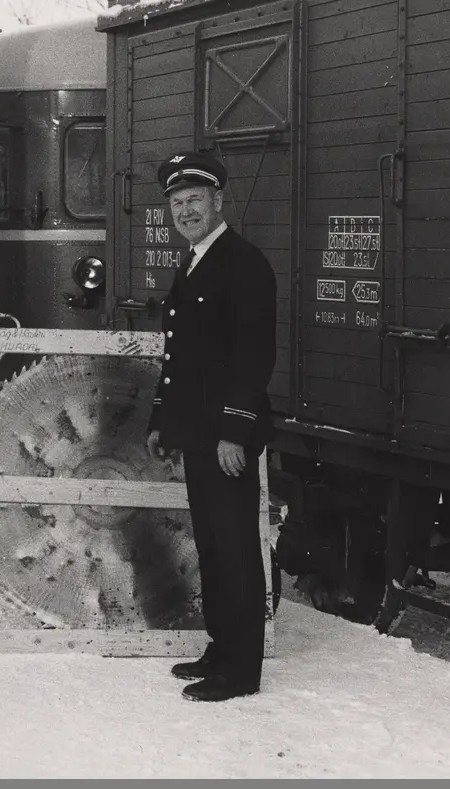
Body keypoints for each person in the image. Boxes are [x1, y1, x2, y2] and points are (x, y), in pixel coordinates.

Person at [145, 152, 278, 703]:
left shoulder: (242, 262)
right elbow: (181, 357)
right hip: (197, 433)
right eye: (177, 203)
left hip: (224, 438)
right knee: (214, 545)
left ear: (218, 201)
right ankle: (222, 648)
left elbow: (254, 356)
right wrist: (161, 420)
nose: (185, 210)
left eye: (195, 200)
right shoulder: (198, 261)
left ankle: (241, 669)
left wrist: (235, 432)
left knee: (236, 548)